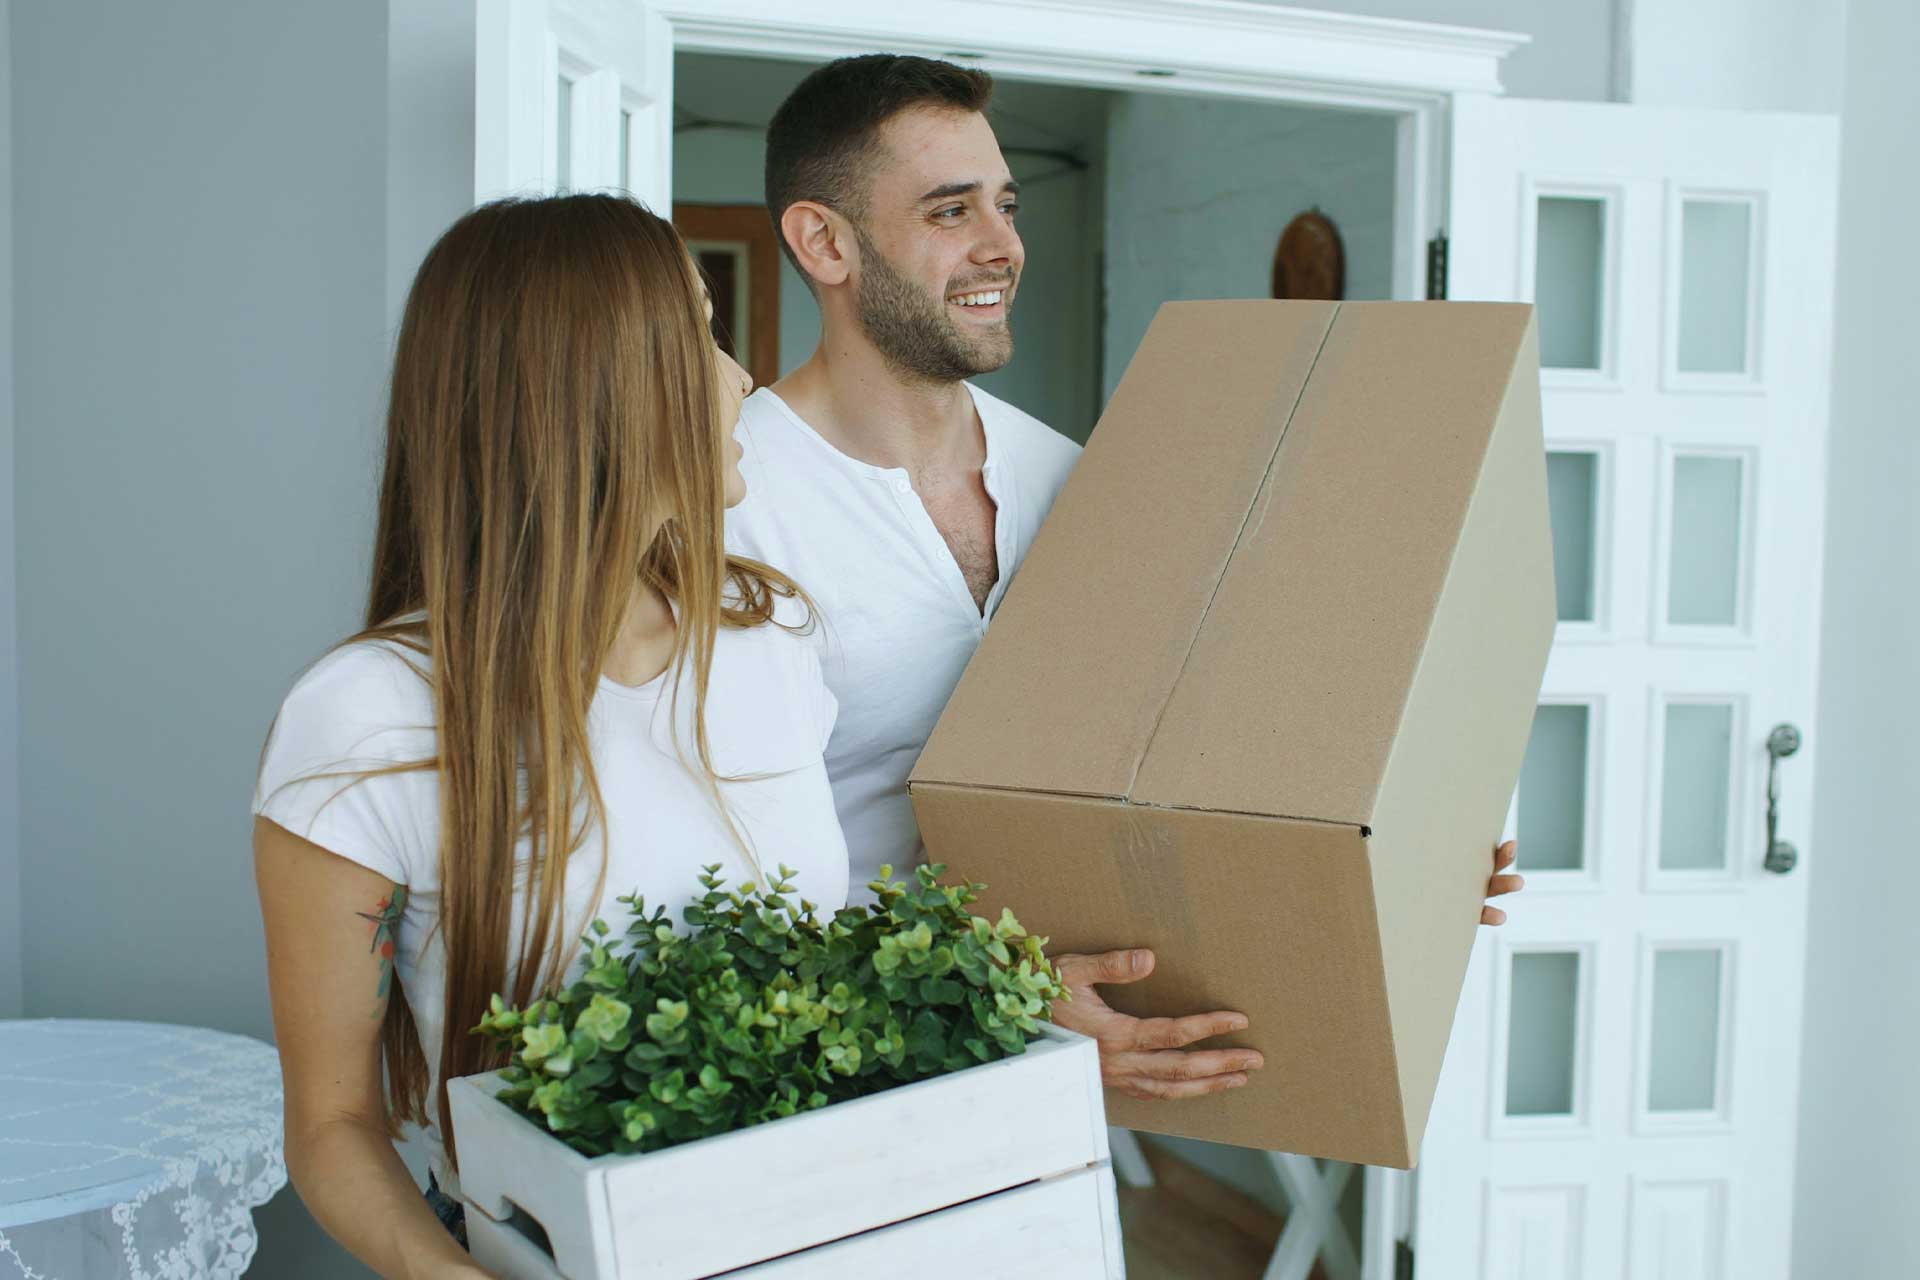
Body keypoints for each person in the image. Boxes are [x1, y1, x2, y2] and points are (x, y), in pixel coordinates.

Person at [724, 54, 1524, 1105]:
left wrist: (1396, 843)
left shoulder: (1079, 478)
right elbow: (703, 880)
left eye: (1006, 205)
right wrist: (984, 996)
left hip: (1061, 1081)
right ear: (823, 240)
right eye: (951, 210)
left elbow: (1184, 756)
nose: (1002, 246)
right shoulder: (730, 501)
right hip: (821, 1089)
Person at [252, 194, 846, 1275]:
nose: (742, 379)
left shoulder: (774, 638)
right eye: (700, 338)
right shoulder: (366, 716)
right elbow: (333, 1123)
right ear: (594, 395)